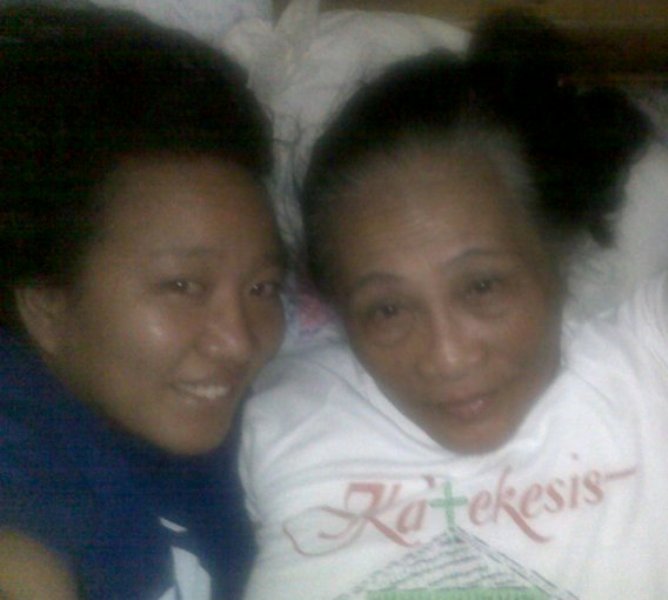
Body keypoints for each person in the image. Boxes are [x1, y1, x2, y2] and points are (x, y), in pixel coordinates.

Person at [239, 12, 666, 600]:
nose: (447, 357)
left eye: (482, 287)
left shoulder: (644, 365)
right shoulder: (275, 419)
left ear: (555, 254)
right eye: (387, 310)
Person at [0, 3, 286, 599]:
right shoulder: (20, 426)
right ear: (47, 305)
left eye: (262, 288)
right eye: (183, 286)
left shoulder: (248, 436)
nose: (239, 341)